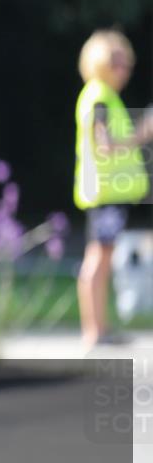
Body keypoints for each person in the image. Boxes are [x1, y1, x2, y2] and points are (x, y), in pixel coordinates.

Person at [74, 29, 153, 348]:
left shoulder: (102, 96)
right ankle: (94, 331)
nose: (124, 71)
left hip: (108, 194)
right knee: (99, 258)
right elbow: (104, 146)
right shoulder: (100, 98)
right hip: (104, 194)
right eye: (118, 63)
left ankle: (99, 328)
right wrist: (142, 134)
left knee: (103, 258)